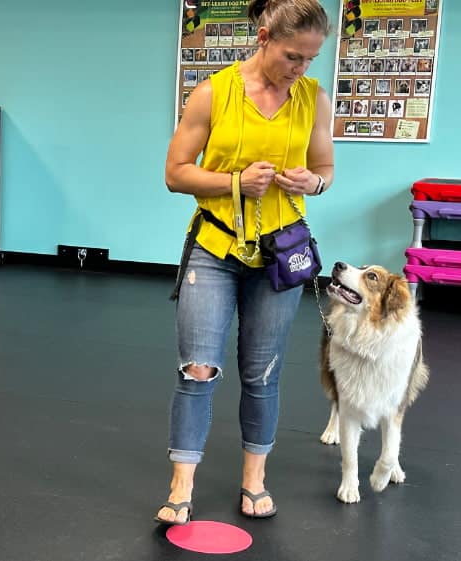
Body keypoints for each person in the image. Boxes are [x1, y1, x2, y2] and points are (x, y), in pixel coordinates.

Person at [155, 0, 334, 524]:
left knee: (262, 372)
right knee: (198, 369)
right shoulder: (214, 92)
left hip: (280, 253)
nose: (299, 69)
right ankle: (180, 483)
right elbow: (175, 173)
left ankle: (254, 479)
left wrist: (314, 182)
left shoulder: (313, 99)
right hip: (215, 248)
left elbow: (325, 167)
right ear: (262, 37)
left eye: (309, 59)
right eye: (292, 56)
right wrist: (235, 182)